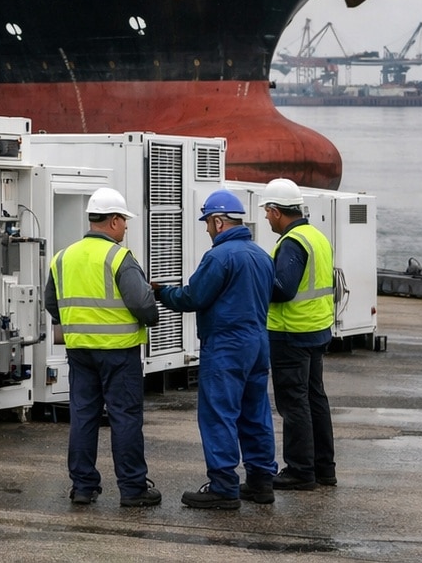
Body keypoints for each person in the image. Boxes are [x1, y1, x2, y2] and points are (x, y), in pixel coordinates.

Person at [153, 189, 278, 509]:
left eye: (208, 222)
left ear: (219, 221)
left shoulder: (219, 257)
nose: (207, 229)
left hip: (226, 345)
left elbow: (194, 298)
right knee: (255, 413)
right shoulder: (261, 255)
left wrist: (162, 292)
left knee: (219, 414)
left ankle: (223, 486)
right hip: (257, 343)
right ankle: (262, 482)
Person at [44, 187, 162, 508]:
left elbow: (51, 303)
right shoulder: (119, 257)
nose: (125, 227)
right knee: (125, 417)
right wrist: (151, 317)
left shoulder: (62, 258)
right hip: (119, 351)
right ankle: (133, 489)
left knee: (83, 415)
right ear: (112, 221)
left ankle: (83, 487)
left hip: (79, 350)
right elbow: (143, 304)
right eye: (123, 220)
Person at [261, 178, 337, 490]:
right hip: (316, 329)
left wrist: (258, 280)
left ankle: (300, 470)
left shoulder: (291, 244)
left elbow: (283, 289)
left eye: (267, 211)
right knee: (314, 399)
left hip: (291, 333)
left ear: (277, 211)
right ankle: (324, 469)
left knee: (294, 403)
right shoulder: (315, 237)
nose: (266, 218)